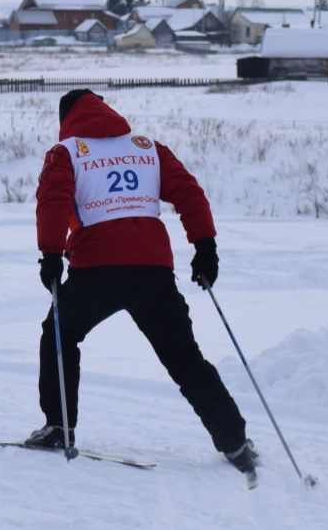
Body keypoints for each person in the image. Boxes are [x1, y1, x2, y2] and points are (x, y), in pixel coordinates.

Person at [27, 87, 258, 476]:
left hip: (95, 270)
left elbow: (52, 202)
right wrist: (205, 248)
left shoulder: (66, 153)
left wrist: (50, 256)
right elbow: (189, 193)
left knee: (60, 334)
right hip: (153, 272)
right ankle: (234, 441)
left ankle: (58, 429)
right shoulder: (147, 147)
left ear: (67, 118)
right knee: (184, 358)